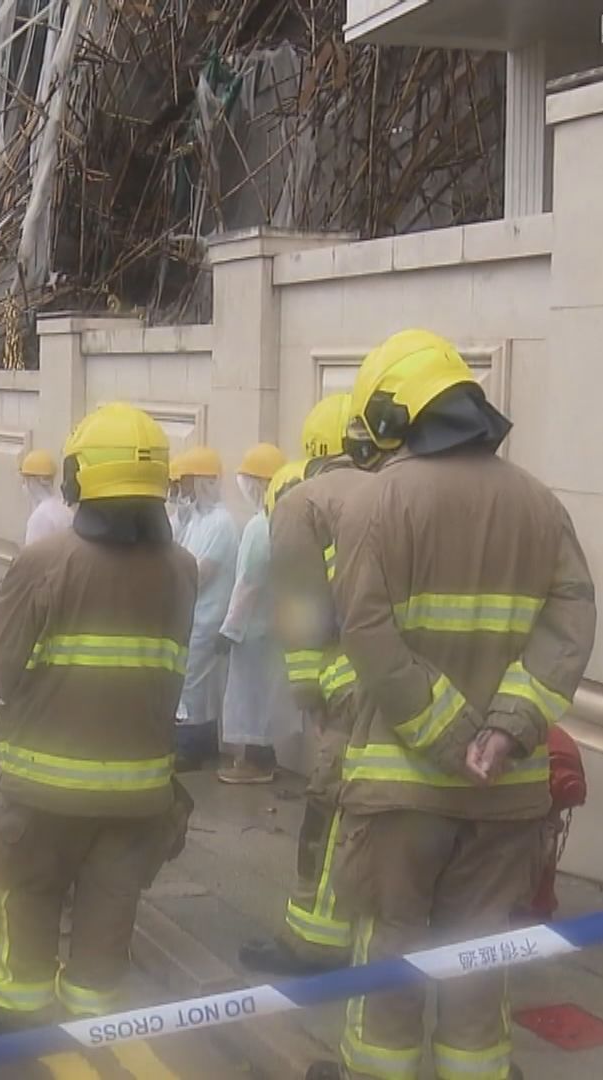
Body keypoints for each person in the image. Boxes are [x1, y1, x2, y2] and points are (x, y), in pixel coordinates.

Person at [312, 330, 596, 1080]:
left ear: (395, 416)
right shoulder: (542, 504)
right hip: (504, 796)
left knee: (391, 958)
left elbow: (365, 634)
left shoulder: (375, 505)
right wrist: (503, 734)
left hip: (401, 792)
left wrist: (447, 735)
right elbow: (568, 628)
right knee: (478, 962)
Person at [0, 403, 196, 1037]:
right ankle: (94, 1038)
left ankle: (15, 1022)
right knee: (107, 921)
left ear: (80, 479)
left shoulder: (44, 562)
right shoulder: (182, 570)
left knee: (27, 900)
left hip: (44, 791)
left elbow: (6, 663)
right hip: (139, 793)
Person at [239, 394, 370, 976]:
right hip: (425, 690)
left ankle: (314, 942)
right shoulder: (403, 494)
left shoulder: (307, 503)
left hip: (349, 691)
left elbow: (300, 611)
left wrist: (309, 692)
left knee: (329, 807)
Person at [218, 442, 289, 784]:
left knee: (250, 697)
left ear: (260, 483)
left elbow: (247, 583)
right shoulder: (285, 522)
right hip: (275, 627)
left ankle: (256, 763)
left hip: (253, 630)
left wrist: (229, 629)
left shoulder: (259, 527)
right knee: (266, 695)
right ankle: (265, 758)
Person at [173, 445, 238, 771]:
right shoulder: (196, 519)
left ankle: (190, 747)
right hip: (192, 616)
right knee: (193, 682)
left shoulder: (222, 524)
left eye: (186, 482)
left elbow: (200, 572)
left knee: (193, 684)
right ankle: (199, 742)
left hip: (207, 617)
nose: (181, 490)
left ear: (201, 482)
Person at [20, 449, 73, 546]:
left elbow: (33, 557)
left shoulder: (39, 517)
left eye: (24, 480)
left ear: (32, 481)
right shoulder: (65, 508)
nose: (23, 484)